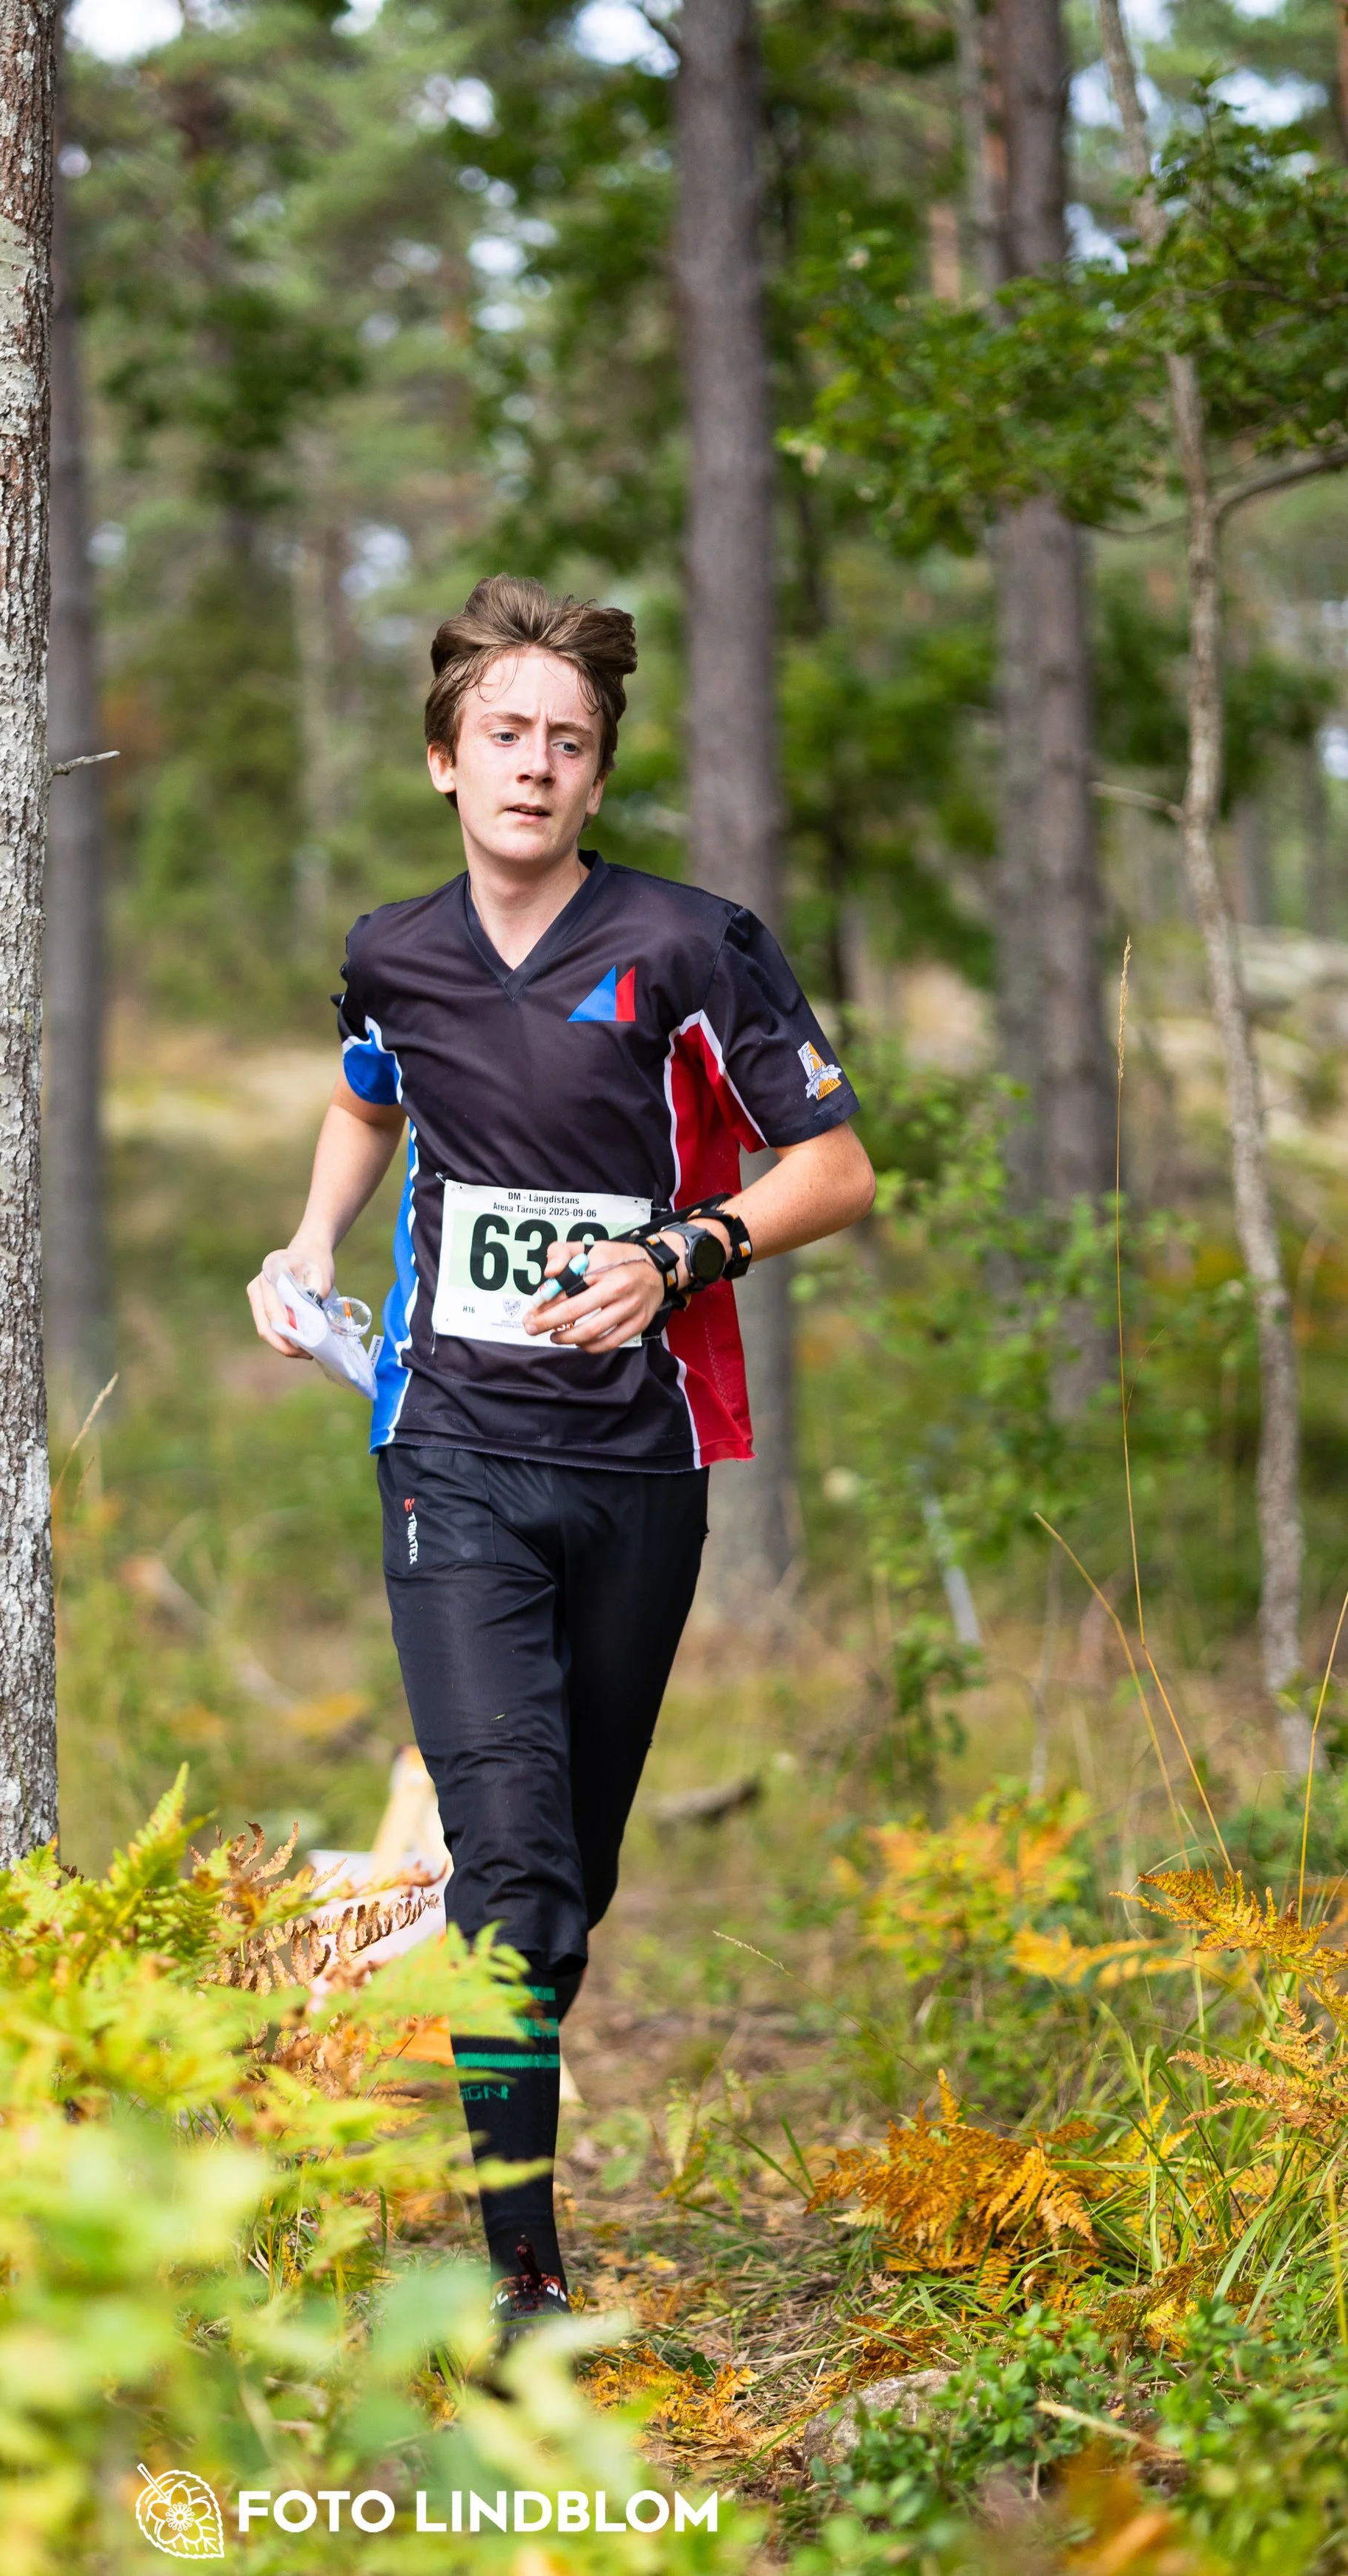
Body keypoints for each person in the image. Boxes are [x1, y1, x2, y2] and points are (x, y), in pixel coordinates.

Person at [247, 576, 875, 2332]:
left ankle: (450, 2063)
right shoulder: (393, 946)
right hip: (445, 1444)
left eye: (568, 742)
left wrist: (683, 1250)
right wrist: (311, 1249)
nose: (534, 765)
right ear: (445, 760)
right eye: (505, 735)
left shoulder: (691, 946)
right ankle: (522, 2282)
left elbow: (833, 1169)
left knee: (564, 1885)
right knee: (508, 1860)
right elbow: (369, 1085)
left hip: (637, 1463)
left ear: (597, 780)